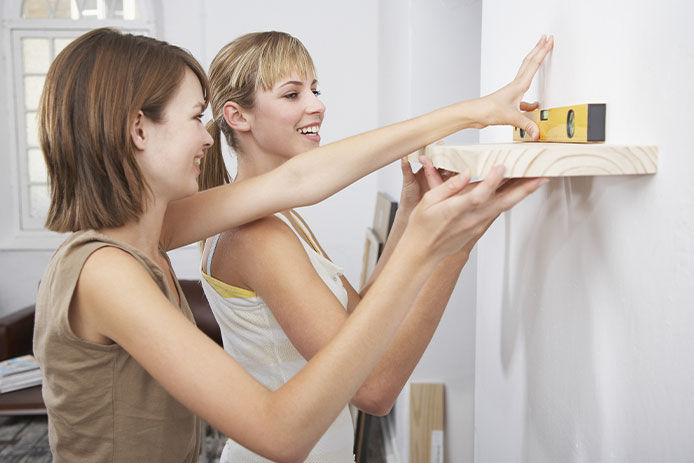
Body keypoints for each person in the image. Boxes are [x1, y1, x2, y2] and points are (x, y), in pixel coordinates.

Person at [33, 27, 552, 462]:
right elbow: (281, 434)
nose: (206, 136)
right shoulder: (107, 270)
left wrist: (474, 112)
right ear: (139, 131)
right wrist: (429, 248)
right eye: (195, 117)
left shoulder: (155, 231)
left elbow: (299, 180)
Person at [197, 31, 551, 461]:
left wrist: (409, 215)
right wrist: (452, 248)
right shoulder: (257, 236)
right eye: (292, 94)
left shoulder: (282, 217)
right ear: (237, 117)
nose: (316, 104)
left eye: (315, 88)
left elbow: (358, 321)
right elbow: (373, 388)